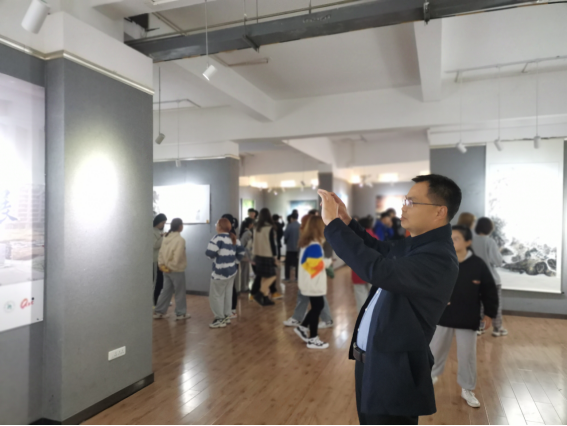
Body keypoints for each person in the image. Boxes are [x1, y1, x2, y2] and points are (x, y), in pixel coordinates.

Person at [318, 174, 462, 426]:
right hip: (373, 363)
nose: (403, 208)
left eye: (411, 202)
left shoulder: (438, 257)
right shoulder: (416, 245)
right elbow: (379, 250)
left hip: (394, 370)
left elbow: (377, 269)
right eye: (405, 200)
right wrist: (346, 222)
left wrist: (332, 224)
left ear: (440, 212)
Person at [430, 226, 498, 408]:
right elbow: (431, 285)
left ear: (468, 242)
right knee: (434, 350)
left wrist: (490, 313)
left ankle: (467, 388)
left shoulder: (478, 264)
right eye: (449, 238)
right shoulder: (442, 261)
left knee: (467, 355)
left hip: (468, 318)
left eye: (456, 238)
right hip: (443, 316)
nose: (451, 242)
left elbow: (489, 291)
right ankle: (428, 379)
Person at [284, 214, 334, 329]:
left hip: (311, 280)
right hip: (312, 280)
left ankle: (305, 325)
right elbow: (313, 265)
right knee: (316, 304)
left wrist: (326, 262)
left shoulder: (312, 242)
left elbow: (313, 265)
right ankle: (306, 327)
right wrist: (328, 262)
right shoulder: (313, 243)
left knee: (317, 304)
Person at [293, 215, 333, 350]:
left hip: (309, 282)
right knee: (317, 307)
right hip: (313, 283)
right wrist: (328, 262)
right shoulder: (315, 246)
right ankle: (313, 338)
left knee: (317, 306)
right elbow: (315, 267)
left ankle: (303, 327)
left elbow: (309, 265)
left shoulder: (308, 243)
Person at [206, 218, 245, 329]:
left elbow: (209, 253)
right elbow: (241, 252)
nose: (215, 226)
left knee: (216, 296)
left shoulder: (216, 238)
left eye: (216, 224)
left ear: (219, 227)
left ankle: (219, 319)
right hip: (232, 271)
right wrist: (235, 262)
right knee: (228, 294)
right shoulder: (234, 238)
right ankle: (227, 316)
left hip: (219, 273)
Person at [473, 217, 507, 337]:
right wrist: (499, 251)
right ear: (489, 228)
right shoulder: (490, 242)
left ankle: (480, 328)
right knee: (495, 305)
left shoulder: (471, 241)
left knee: (479, 306)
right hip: (491, 279)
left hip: (476, 279)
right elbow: (498, 261)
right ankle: (497, 329)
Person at [154, 218, 190, 321]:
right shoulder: (180, 240)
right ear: (180, 227)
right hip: (176, 270)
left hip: (165, 268)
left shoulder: (166, 237)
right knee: (179, 292)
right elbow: (177, 257)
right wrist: (172, 266)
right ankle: (181, 313)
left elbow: (161, 253)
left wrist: (162, 265)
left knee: (165, 290)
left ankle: (159, 311)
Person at [252, 208, 278, 307]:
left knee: (264, 277)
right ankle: (259, 294)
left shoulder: (256, 227)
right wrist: (275, 256)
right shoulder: (269, 227)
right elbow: (272, 243)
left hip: (258, 254)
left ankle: (266, 298)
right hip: (267, 255)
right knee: (272, 276)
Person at [351, 216, 377, 312]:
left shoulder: (354, 237)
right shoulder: (375, 238)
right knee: (374, 298)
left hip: (358, 271)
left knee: (360, 297)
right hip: (373, 271)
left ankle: (362, 318)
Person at [153, 213, 167, 307]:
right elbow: (155, 245)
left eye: (164, 223)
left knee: (161, 282)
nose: (163, 225)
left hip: (162, 260)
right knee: (156, 282)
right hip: (155, 260)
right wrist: (163, 237)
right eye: (162, 223)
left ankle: (159, 301)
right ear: (158, 221)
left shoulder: (160, 231)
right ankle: (154, 302)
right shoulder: (152, 231)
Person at [239, 218, 255, 294]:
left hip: (242, 253)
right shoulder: (248, 233)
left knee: (244, 270)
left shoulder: (243, 231)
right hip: (244, 253)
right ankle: (244, 287)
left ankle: (244, 286)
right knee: (245, 271)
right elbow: (245, 245)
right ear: (250, 224)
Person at [284, 214, 301, 282]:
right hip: (298, 248)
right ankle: (297, 277)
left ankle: (287, 277)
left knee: (287, 263)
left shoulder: (289, 226)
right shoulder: (300, 226)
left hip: (290, 248)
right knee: (297, 263)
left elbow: (285, 236)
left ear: (291, 218)